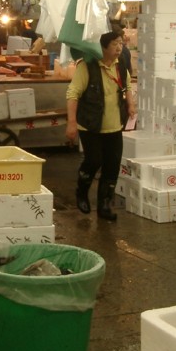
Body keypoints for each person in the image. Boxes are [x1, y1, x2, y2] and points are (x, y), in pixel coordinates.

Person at [65, 30, 137, 221]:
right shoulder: (87, 67)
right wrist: (71, 123)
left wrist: (130, 104)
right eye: (114, 44)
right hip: (91, 126)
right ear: (103, 47)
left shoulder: (121, 65)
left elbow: (127, 86)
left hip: (114, 125)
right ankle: (82, 192)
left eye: (121, 43)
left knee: (112, 166)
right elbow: (73, 94)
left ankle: (105, 204)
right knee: (94, 160)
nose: (119, 48)